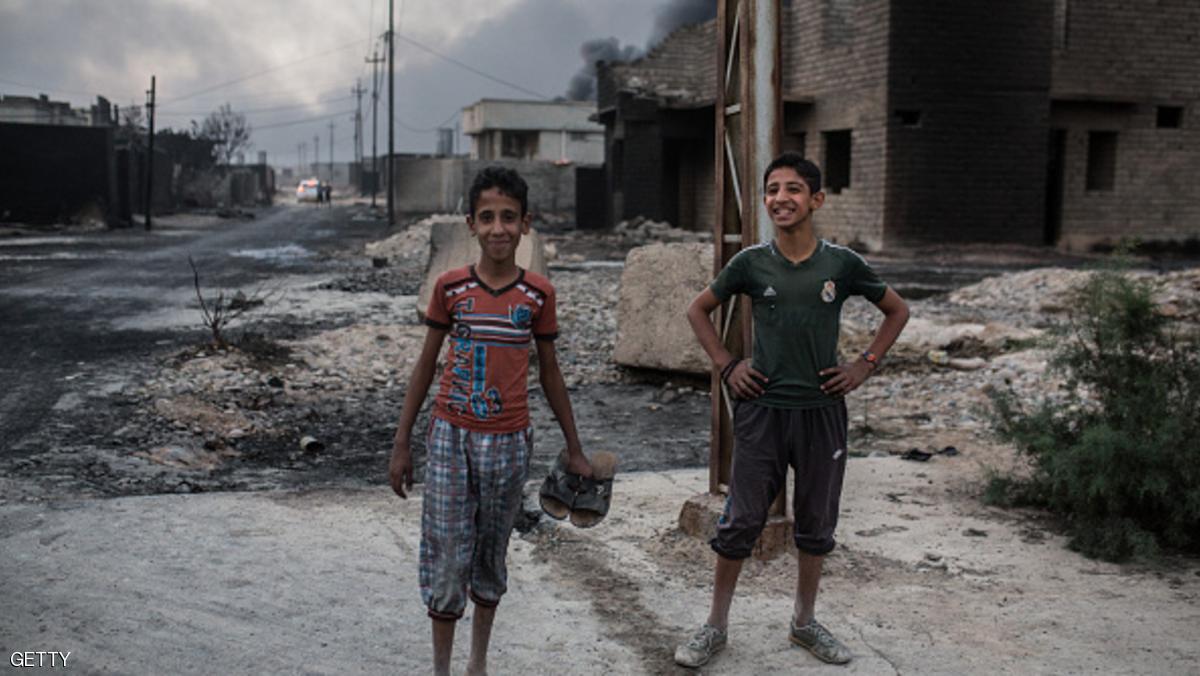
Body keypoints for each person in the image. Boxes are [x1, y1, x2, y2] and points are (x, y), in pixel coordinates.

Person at [675, 152, 909, 668]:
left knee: (816, 522)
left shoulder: (841, 264)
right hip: (763, 410)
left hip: (822, 412)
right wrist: (726, 364)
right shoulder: (752, 263)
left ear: (816, 200)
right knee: (741, 520)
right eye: (772, 189)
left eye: (793, 189)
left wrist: (864, 365)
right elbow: (698, 309)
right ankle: (714, 627)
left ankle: (804, 623)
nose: (781, 198)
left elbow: (897, 310)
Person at [388, 166, 593, 676]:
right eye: (487, 217)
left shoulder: (538, 295)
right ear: (470, 225)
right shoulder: (451, 288)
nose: (498, 228)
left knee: (489, 551)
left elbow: (549, 373)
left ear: (526, 224)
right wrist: (401, 444)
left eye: (508, 217)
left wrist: (575, 446)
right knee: (447, 551)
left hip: (507, 442)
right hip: (450, 438)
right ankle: (441, 667)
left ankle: (477, 663)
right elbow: (425, 366)